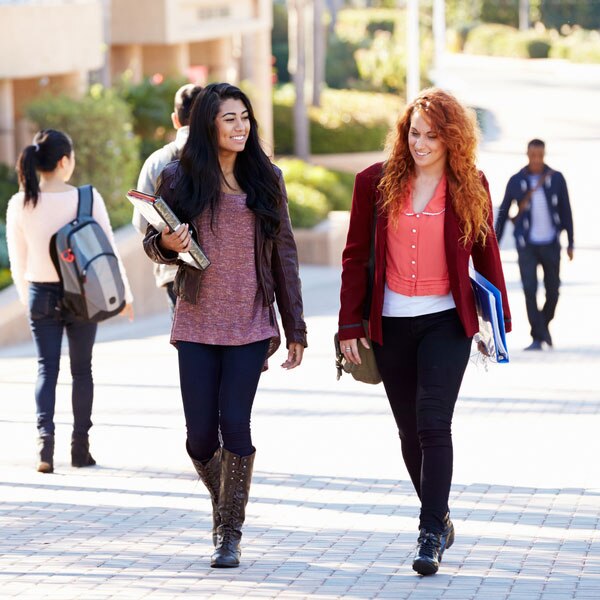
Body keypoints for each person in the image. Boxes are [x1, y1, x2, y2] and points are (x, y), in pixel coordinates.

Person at [338, 88, 511, 576]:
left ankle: (430, 531)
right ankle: (441, 514)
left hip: (445, 320)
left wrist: (495, 324)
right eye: (414, 133)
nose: (421, 143)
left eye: (432, 136)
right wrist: (349, 322)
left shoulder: (470, 183)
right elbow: (354, 256)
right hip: (390, 321)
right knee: (408, 429)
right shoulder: (374, 182)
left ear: (452, 138)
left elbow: (486, 251)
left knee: (433, 421)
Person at [143, 83, 307, 568]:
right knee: (199, 437)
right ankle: (227, 502)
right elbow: (156, 243)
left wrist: (295, 328)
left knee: (235, 423)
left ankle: (228, 532)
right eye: (229, 119)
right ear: (207, 126)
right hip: (196, 321)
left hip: (250, 322)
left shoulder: (266, 178)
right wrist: (168, 246)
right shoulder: (179, 178)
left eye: (244, 117)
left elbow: (285, 254)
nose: (240, 127)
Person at [6, 129, 134, 474]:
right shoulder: (86, 198)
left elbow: (18, 262)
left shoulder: (20, 203)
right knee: (82, 370)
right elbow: (108, 251)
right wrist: (124, 296)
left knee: (47, 369)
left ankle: (44, 447)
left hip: (40, 294)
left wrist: (28, 298)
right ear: (64, 162)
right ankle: (80, 449)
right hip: (84, 296)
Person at [495, 139, 574, 351]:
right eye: (533, 155)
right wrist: (494, 245)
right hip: (526, 245)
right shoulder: (515, 181)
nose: (537, 159)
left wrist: (571, 242)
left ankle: (542, 328)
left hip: (551, 243)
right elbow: (502, 215)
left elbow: (566, 211)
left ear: (544, 154)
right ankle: (537, 337)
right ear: (527, 154)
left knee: (553, 291)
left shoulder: (556, 179)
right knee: (529, 290)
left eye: (540, 155)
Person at [132, 83, 202, 313]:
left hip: (174, 272)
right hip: (218, 271)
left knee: (187, 343)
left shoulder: (156, 161)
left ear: (175, 119)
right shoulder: (223, 155)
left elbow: (142, 224)